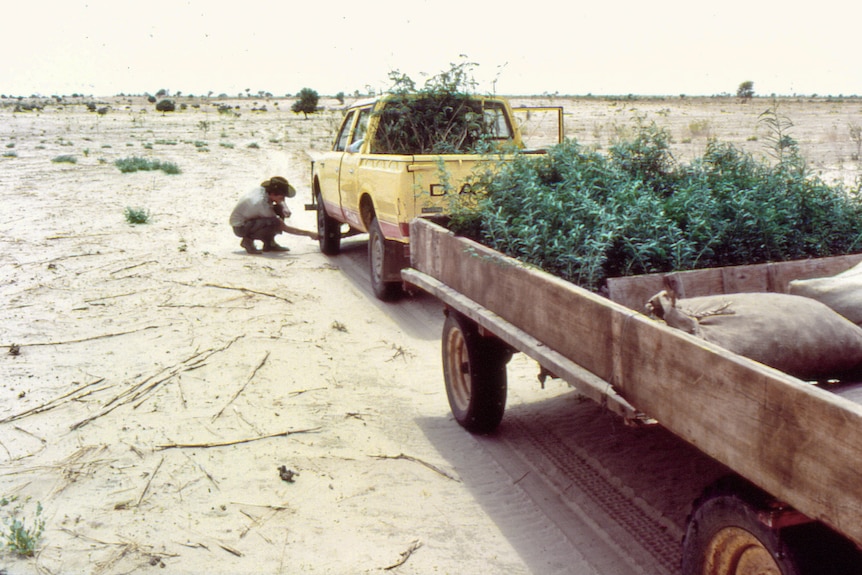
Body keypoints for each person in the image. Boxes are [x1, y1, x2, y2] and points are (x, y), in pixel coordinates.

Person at [229, 176, 297, 254]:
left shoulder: (262, 191)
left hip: (249, 220)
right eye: (281, 197)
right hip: (240, 227)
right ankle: (248, 241)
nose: (282, 200)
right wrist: (309, 234)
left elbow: (279, 202)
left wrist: (284, 207)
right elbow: (281, 225)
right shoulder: (261, 204)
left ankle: (270, 244)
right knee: (273, 222)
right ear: (273, 194)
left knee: (278, 210)